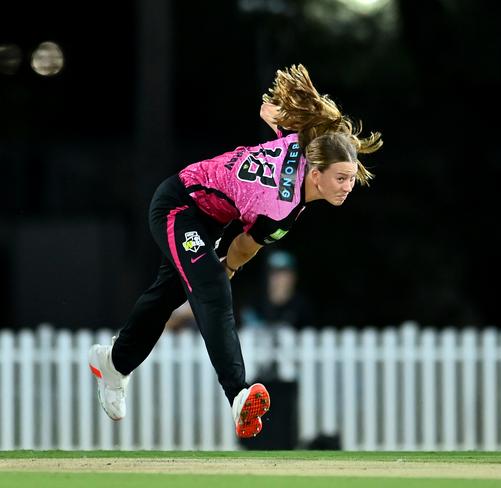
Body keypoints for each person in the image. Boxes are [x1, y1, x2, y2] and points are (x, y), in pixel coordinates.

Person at [87, 64, 383, 438]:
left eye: (352, 179)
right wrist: (223, 268)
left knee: (166, 296)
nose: (347, 187)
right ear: (315, 173)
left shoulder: (298, 144)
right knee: (211, 287)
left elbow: (268, 111)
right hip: (178, 204)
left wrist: (287, 112)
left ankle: (113, 363)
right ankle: (238, 394)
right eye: (341, 179)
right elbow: (243, 245)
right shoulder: (281, 209)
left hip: (208, 220)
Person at [240, 250, 313, 330]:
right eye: (274, 272)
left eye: (283, 272)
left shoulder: (302, 307)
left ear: (293, 276)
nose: (278, 277)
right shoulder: (254, 303)